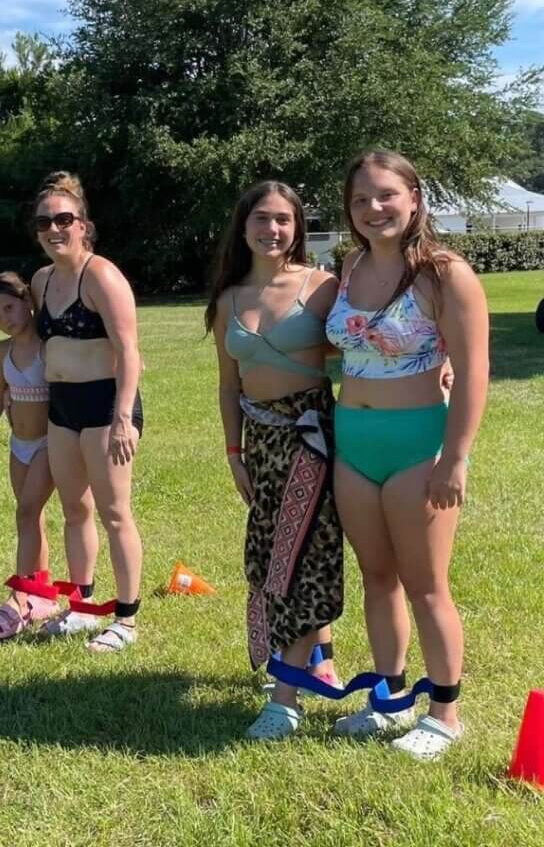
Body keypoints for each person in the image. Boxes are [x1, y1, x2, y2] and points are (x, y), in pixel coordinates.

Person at [326, 149, 488, 760]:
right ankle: (390, 698)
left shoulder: (445, 274)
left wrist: (456, 455)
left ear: (415, 198)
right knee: (378, 578)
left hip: (418, 444)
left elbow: (475, 372)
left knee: (425, 584)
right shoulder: (347, 266)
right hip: (354, 444)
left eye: (387, 195)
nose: (374, 208)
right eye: (361, 199)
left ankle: (445, 715)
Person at [205, 181, 344, 739]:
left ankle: (284, 699)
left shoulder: (323, 287)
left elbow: (373, 337)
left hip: (312, 435)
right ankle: (319, 656)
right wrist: (234, 451)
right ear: (243, 227)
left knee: (303, 554)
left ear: (298, 227)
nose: (273, 230)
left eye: (284, 220)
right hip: (258, 444)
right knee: (271, 552)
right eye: (262, 219)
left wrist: (444, 365)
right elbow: (226, 383)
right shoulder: (228, 300)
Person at [30, 171, 144, 653]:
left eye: (64, 219)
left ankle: (126, 617)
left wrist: (122, 417)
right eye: (44, 222)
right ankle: (81, 603)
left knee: (115, 513)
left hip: (105, 406)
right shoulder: (40, 280)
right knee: (75, 509)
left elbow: (130, 349)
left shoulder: (101, 275)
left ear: (83, 225)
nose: (54, 229)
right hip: (63, 409)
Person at [0, 272, 63, 638]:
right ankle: (43, 592)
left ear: (27, 300)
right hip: (18, 445)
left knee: (26, 511)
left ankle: (20, 597)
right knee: (31, 517)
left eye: (9, 307)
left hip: (49, 442)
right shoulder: (1, 352)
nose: (5, 319)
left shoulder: (48, 346)